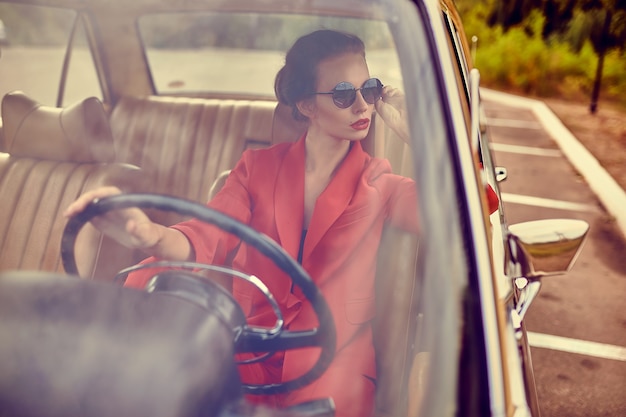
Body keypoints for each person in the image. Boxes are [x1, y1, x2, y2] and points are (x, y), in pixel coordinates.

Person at [65, 29, 418, 417]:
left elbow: (465, 214)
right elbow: (206, 235)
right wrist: (148, 234)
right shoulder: (257, 169)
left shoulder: (380, 182)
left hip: (335, 372)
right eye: (343, 95)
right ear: (306, 106)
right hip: (248, 359)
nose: (362, 107)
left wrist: (419, 136)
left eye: (368, 90)